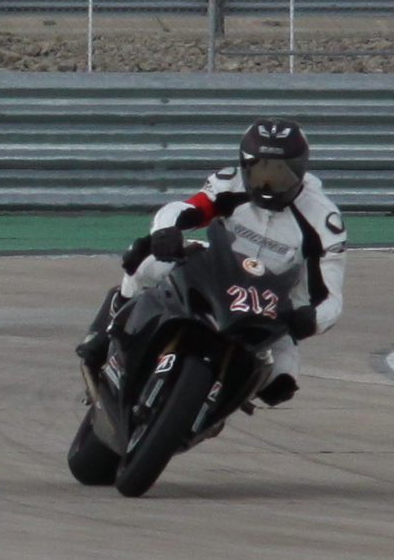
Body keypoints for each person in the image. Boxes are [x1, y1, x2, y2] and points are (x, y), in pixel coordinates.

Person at [94, 118, 346, 403]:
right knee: (144, 258)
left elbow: (331, 297)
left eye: (281, 173)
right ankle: (108, 330)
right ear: (245, 163)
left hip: (271, 303)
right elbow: (186, 207)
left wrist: (312, 320)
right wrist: (166, 230)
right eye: (259, 169)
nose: (269, 181)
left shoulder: (323, 220)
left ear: (300, 170)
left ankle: (218, 406)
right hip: (217, 271)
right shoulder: (230, 183)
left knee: (281, 383)